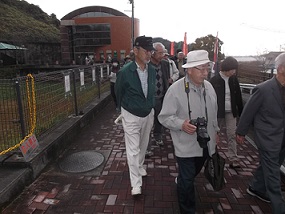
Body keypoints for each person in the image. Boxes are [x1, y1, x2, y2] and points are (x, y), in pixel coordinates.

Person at [158, 50, 220, 213]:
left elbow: (214, 112)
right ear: (189, 70)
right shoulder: (175, 89)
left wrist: (216, 132)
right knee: (186, 180)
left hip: (206, 142)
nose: (206, 73)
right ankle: (187, 210)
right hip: (185, 145)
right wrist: (181, 124)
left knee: (192, 174)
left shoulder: (210, 87)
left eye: (207, 68)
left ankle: (183, 181)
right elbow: (163, 117)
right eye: (201, 69)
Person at [236, 52, 285, 213]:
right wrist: (241, 132)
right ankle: (279, 206)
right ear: (281, 68)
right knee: (273, 172)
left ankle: (255, 188)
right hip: (267, 137)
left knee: (272, 164)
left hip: (282, 137)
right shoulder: (263, 89)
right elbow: (248, 112)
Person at [115, 36, 156, 196]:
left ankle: (139, 166)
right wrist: (123, 110)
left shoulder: (152, 69)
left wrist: (151, 106)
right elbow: (118, 92)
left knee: (143, 144)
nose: (149, 54)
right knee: (133, 149)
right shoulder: (125, 72)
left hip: (147, 113)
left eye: (150, 51)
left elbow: (151, 91)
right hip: (131, 114)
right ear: (136, 50)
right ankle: (136, 183)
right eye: (146, 50)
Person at [210, 56, 243, 168]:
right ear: (226, 68)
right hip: (217, 112)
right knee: (214, 134)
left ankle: (233, 158)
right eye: (232, 69)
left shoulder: (234, 80)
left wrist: (241, 112)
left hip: (231, 111)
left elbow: (238, 96)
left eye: (235, 69)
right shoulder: (215, 80)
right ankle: (212, 157)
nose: (234, 72)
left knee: (232, 134)